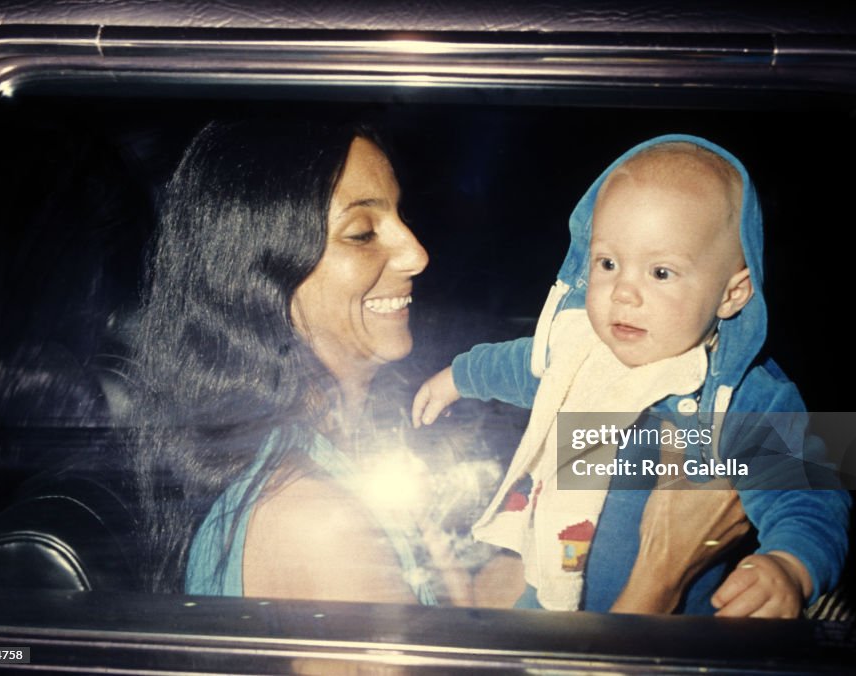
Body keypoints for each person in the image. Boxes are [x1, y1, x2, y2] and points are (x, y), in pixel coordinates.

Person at [131, 120, 750, 608]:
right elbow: (794, 453)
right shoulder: (313, 521)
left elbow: (813, 453)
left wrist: (550, 547)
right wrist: (663, 570)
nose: (418, 253)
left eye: (400, 217)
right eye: (362, 232)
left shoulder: (348, 448)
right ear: (260, 275)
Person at [413, 134, 851, 617]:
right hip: (545, 596)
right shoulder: (581, 353)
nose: (623, 292)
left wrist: (790, 566)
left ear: (732, 294)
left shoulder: (743, 395)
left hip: (669, 633)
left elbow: (807, 499)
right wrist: (459, 375)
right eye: (608, 263)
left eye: (660, 272)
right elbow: (524, 364)